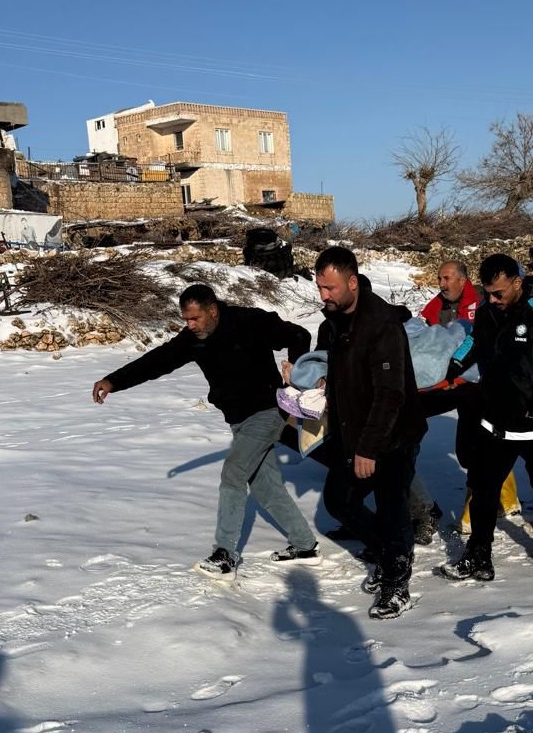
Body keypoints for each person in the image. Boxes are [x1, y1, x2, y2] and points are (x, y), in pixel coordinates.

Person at [92, 284, 320, 577]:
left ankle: (225, 555)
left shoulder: (250, 321)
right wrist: (113, 381)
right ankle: (305, 545)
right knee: (265, 486)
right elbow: (157, 361)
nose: (190, 325)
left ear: (212, 311)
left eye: (195, 318)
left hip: (268, 412)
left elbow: (299, 335)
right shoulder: (193, 339)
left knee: (233, 473)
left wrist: (297, 379)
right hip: (238, 420)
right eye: (186, 319)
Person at [439, 254, 533, 580]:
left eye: (499, 293)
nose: (492, 299)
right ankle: (479, 555)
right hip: (495, 421)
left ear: (518, 283)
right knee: (483, 490)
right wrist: (458, 361)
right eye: (487, 293)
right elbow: (476, 339)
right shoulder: (488, 311)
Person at [314, 246, 426, 620]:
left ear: (352, 283)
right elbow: (340, 367)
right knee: (339, 500)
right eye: (320, 288)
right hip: (354, 429)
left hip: (393, 435)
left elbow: (390, 394)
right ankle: (385, 551)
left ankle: (397, 583)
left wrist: (368, 448)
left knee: (393, 510)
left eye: (330, 288)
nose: (323, 296)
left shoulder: (381, 325)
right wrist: (321, 382)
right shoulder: (335, 320)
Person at [418, 260, 521, 534]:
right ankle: (506, 499)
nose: (441, 284)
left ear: (463, 280)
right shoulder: (436, 307)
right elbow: (430, 343)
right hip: (455, 385)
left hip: (482, 386)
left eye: (447, 278)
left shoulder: (484, 303)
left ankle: (473, 517)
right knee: (472, 450)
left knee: (480, 449)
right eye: (439, 278)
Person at [421, 260, 480, 326]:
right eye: (440, 279)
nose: (441, 284)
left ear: (462, 281)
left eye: (447, 278)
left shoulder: (483, 299)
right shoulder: (433, 309)